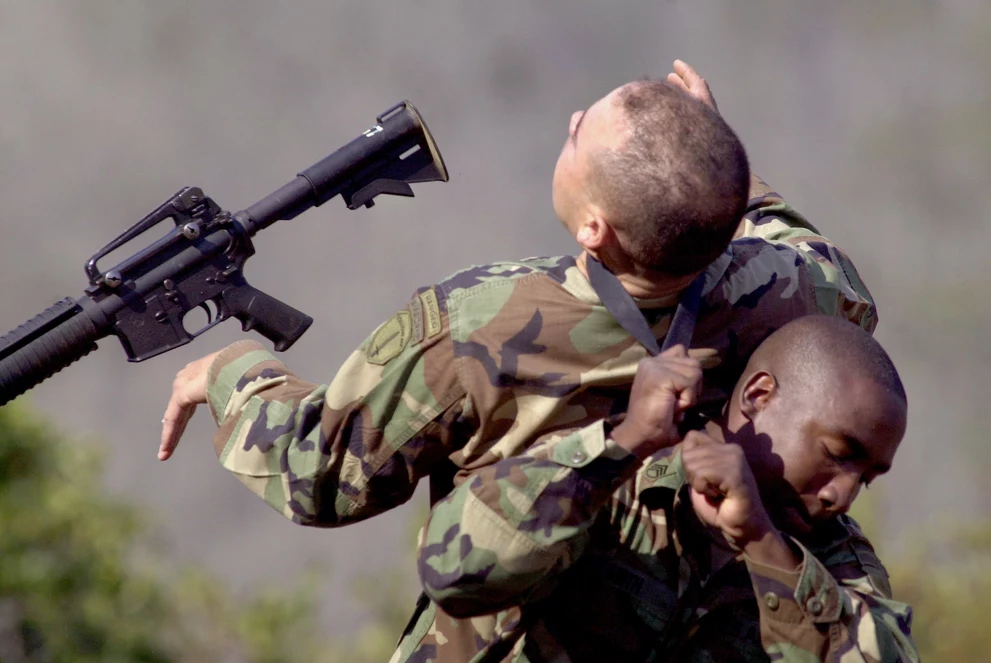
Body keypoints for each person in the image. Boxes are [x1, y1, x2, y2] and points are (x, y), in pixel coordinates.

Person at [158, 61, 874, 543]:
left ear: (595, 228)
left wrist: (233, 373)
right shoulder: (790, 297)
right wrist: (716, 161)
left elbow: (322, 475)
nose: (567, 122)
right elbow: (832, 275)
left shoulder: (477, 323)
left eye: (577, 137)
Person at [411, 315, 917, 662]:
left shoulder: (833, 560)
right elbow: (452, 570)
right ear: (760, 395)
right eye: (837, 454)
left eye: (866, 478)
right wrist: (627, 442)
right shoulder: (604, 469)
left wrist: (762, 542)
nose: (842, 495)